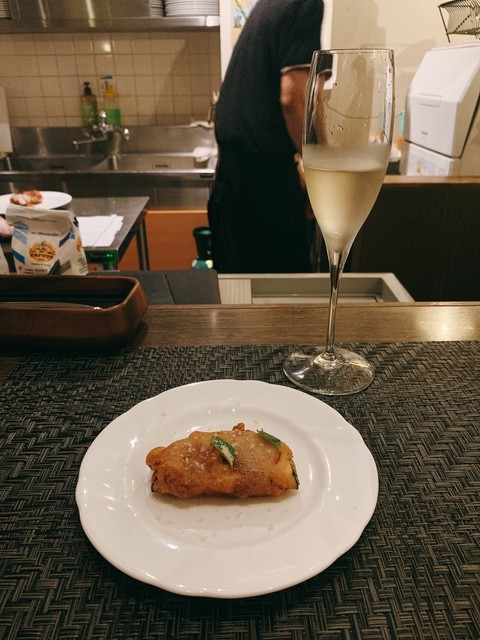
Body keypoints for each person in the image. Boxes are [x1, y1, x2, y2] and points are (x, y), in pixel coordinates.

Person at [207, 0, 324, 273]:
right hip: (266, 190)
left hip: (232, 180)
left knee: (237, 285)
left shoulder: (268, 6)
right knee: (286, 288)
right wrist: (321, 172)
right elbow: (296, 98)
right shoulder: (305, 2)